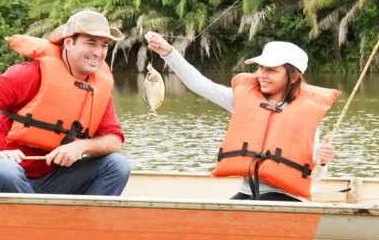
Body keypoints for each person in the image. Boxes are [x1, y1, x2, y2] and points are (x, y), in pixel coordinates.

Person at [145, 32, 339, 202]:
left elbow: (317, 175)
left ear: (293, 77)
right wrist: (168, 52)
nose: (262, 75)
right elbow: (199, 84)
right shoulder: (242, 99)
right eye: (260, 68)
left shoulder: (305, 113)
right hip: (247, 193)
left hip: (287, 198)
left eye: (271, 70)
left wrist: (323, 160)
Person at [0, 10, 131, 196]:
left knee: (117, 165)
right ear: (69, 43)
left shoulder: (98, 90)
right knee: (7, 170)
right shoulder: (29, 74)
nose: (98, 52)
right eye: (90, 43)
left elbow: (114, 140)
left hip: (49, 183)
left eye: (104, 45)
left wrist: (81, 146)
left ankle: (80, 224)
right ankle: (41, 221)